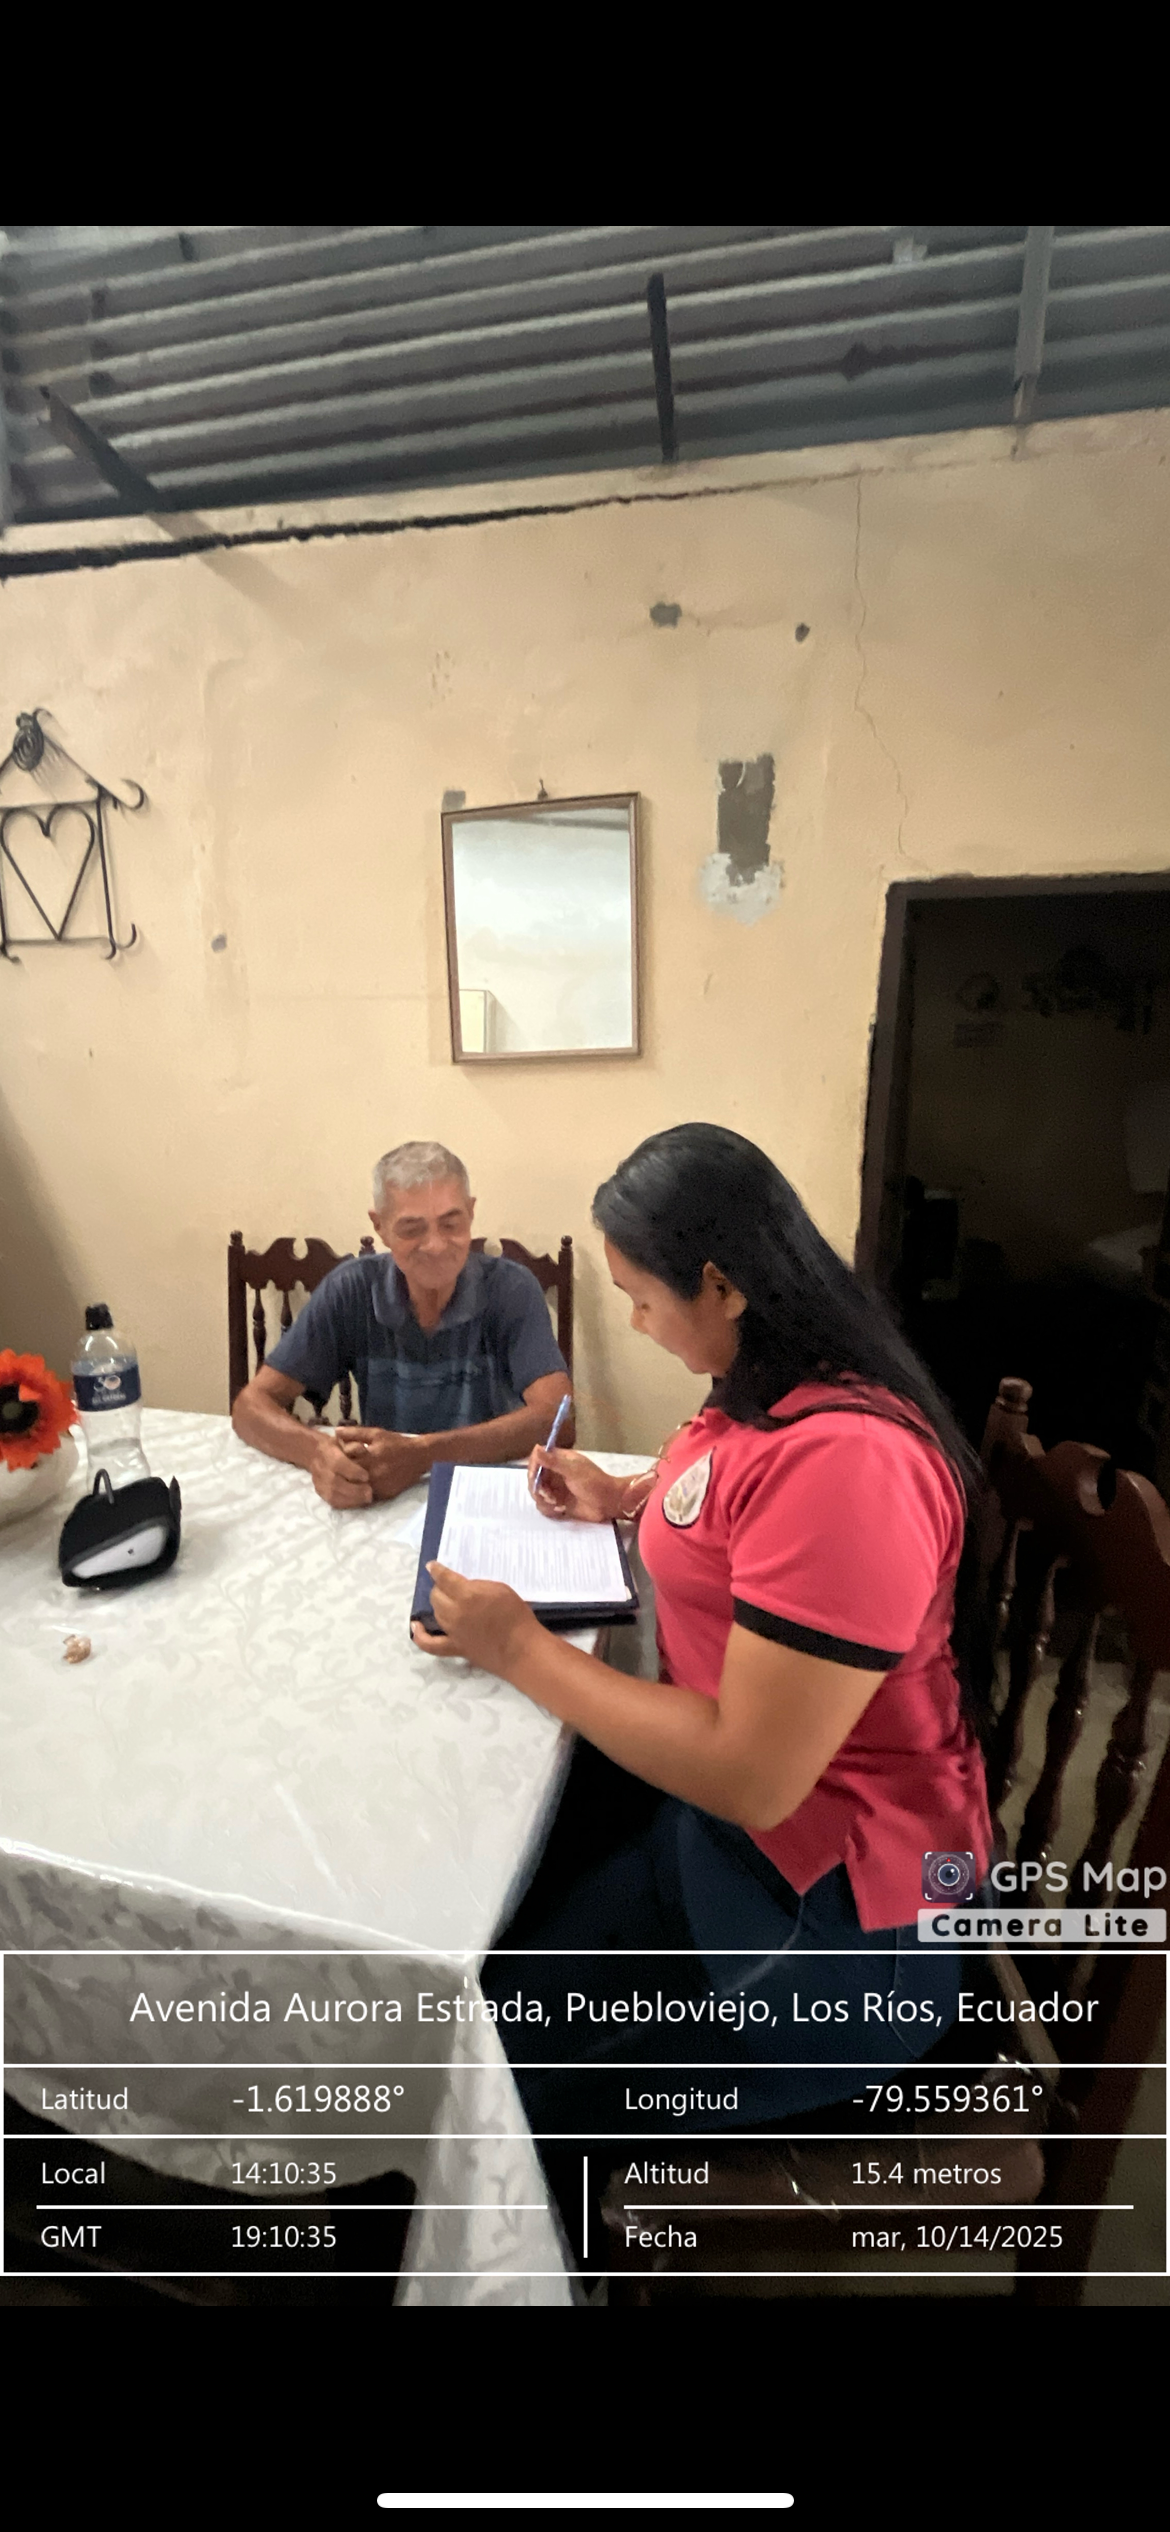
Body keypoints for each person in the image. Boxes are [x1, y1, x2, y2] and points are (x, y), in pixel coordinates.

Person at [411, 1122, 994, 2225]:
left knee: (504, 2082)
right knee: (490, 1977)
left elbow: (753, 1776)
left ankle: (523, 2252)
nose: (634, 1323)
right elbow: (722, 1497)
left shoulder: (850, 1465)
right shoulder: (768, 1381)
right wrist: (623, 1498)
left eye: (642, 1299)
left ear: (721, 1284)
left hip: (837, 1922)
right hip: (723, 1845)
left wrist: (520, 1648)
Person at [231, 1141, 571, 1507]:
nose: (436, 1245)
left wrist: (423, 1454)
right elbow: (250, 1407)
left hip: (486, 1495)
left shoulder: (511, 1289)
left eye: (451, 1224)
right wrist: (317, 1452)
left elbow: (560, 1420)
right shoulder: (352, 1289)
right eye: (412, 1229)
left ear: (471, 1213)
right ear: (380, 1226)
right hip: (384, 1496)